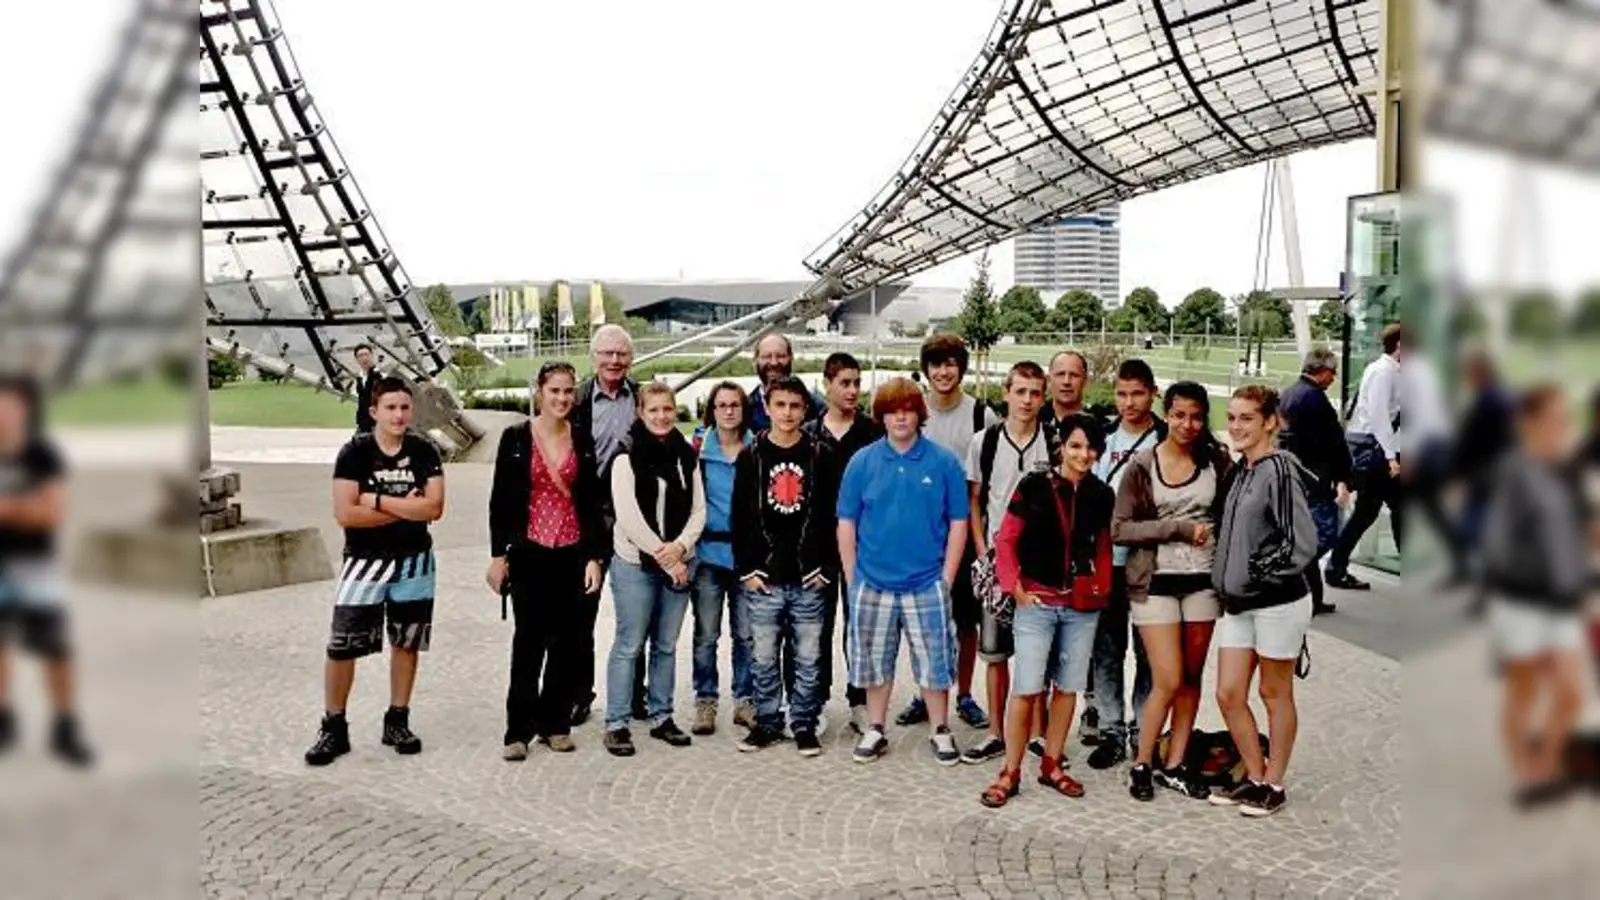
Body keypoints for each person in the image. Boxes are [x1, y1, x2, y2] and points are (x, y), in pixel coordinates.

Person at [306, 376, 446, 766]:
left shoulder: (423, 450)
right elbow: (345, 513)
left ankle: (397, 718)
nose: (398, 415)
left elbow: (434, 509)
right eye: (390, 408)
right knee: (342, 644)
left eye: (404, 407)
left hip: (414, 560)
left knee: (407, 641)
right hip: (364, 561)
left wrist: (377, 500)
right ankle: (334, 725)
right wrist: (404, 506)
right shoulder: (354, 452)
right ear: (374, 412)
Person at [979, 413, 1115, 807]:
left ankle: (1052, 763)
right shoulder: (1034, 485)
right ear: (1061, 447)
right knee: (1026, 689)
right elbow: (1006, 539)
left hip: (1080, 605)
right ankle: (1010, 770)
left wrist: (1100, 590)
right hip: (1037, 602)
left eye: (1090, 447)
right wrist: (1015, 588)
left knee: (1068, 688)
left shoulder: (1100, 494)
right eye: (1075, 445)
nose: (1083, 454)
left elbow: (1103, 545)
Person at [837, 377, 970, 766]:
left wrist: (946, 577)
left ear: (919, 414)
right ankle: (876, 728)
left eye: (908, 410)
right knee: (875, 660)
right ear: (881, 416)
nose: (900, 417)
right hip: (873, 581)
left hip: (926, 582)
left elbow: (958, 521)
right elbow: (846, 521)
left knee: (935, 660)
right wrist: (852, 577)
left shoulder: (943, 462)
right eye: (892, 410)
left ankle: (940, 729)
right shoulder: (862, 461)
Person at [1113, 381, 1233, 801]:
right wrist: (1178, 529)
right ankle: (1144, 761)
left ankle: (1177, 763)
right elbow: (1121, 529)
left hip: (1203, 582)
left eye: (1197, 416)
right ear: (1168, 414)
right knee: (1166, 677)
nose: (1188, 424)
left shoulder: (1217, 461)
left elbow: (1232, 516)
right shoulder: (1143, 465)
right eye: (1180, 415)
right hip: (1155, 582)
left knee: (1191, 678)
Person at [487, 362, 608, 757]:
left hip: (572, 549)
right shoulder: (516, 437)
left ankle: (554, 721)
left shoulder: (583, 439)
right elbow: (501, 500)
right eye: (554, 391)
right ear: (539, 391)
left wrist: (594, 556)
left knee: (568, 641)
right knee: (529, 640)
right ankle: (517, 730)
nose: (561, 399)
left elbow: (591, 502)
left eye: (568, 391)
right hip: (531, 548)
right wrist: (498, 555)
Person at [1207, 386, 1318, 817]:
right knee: (1228, 693)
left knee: (1274, 693)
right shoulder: (1242, 470)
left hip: (1278, 603)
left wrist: (1253, 573)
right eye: (1232, 418)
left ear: (1270, 421)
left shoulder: (1280, 470)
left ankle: (1274, 783)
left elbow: (1300, 543)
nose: (1236, 426)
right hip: (1239, 604)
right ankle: (1253, 774)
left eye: (1247, 418)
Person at [1481, 383, 1591, 807]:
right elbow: (1498, 545)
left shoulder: (1567, 469)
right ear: (1527, 423)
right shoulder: (1513, 472)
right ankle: (1528, 776)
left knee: (1571, 691)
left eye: (1566, 419)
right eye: (1554, 419)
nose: (1563, 428)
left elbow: (1582, 527)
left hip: (1561, 600)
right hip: (1520, 600)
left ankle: (1546, 759)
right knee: (1523, 691)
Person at [733, 377, 840, 756]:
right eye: (780, 405)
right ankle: (767, 721)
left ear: (805, 409)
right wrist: (748, 568)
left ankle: (804, 723)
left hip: (809, 577)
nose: (788, 413)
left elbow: (831, 516)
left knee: (808, 656)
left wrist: (825, 566)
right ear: (768, 405)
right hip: (766, 576)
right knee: (763, 656)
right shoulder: (752, 455)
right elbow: (741, 516)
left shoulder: (821, 455)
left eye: (795, 406)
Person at [603, 382, 706, 757]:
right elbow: (628, 517)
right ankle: (616, 722)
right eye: (653, 410)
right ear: (640, 413)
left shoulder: (685, 455)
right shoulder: (625, 457)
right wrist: (667, 558)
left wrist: (680, 548)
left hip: (679, 561)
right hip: (636, 563)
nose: (662, 417)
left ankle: (662, 715)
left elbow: (699, 510)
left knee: (665, 645)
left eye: (667, 409)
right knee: (630, 643)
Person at [900, 333, 996, 731]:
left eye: (951, 363)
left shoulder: (982, 416)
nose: (944, 371)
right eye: (936, 364)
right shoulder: (912, 413)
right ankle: (926, 692)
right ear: (926, 370)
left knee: (965, 620)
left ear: (961, 367)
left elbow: (987, 483)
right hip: (921, 537)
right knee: (922, 619)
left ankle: (965, 694)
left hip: (965, 535)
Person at [962, 361, 1054, 765]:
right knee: (995, 653)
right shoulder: (985, 441)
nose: (1028, 400)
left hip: (1039, 563)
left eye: (1035, 393)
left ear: (1043, 397)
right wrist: (983, 552)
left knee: (1037, 652)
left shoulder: (1052, 440)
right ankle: (996, 732)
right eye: (1021, 391)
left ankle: (1036, 733)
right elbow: (975, 500)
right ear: (1007, 393)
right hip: (998, 562)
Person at [0, 374, 93, 766]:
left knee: (55, 648)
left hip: (36, 565)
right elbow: (34, 509)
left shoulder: (42, 456)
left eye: (10, 406)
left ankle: (65, 725)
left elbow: (50, 514)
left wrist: (11, 510)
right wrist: (23, 507)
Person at [1083, 359, 1162, 768]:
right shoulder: (1103, 436)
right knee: (1108, 649)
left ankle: (1142, 730)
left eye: (1137, 393)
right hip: (1107, 560)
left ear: (1152, 393)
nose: (1129, 402)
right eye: (1121, 393)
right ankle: (1112, 728)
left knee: (1149, 650)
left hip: (1152, 562)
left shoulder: (1166, 437)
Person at [802, 352, 883, 735]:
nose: (852, 390)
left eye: (856, 382)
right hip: (817, 547)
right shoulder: (807, 433)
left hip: (863, 548)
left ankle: (860, 701)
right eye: (844, 383)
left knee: (861, 628)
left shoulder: (872, 433)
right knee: (816, 627)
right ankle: (815, 701)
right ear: (826, 384)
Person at [568, 324, 641, 725]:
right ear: (594, 356)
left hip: (633, 517)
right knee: (582, 611)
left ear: (630, 358)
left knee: (638, 608)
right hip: (589, 517)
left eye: (622, 354)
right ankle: (580, 694)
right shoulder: (576, 400)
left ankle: (636, 693)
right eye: (607, 353)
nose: (615, 361)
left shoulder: (643, 396)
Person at [689, 382, 755, 734]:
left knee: (746, 635)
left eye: (735, 405)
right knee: (706, 635)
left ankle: (744, 700)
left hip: (745, 556)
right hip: (708, 555)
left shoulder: (756, 447)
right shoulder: (699, 449)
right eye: (721, 405)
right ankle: (705, 700)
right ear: (712, 410)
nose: (729, 411)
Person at [1324, 324, 1405, 591]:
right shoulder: (1384, 373)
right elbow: (1379, 416)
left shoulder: (1384, 370)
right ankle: (1336, 567)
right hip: (1376, 451)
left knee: (1370, 512)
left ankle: (1336, 567)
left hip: (1375, 448)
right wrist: (1392, 457)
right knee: (1388, 508)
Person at [1277, 347, 1353, 615]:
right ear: (1322, 372)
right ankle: (1296, 582)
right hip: (1316, 479)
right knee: (1323, 535)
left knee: (1308, 536)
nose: (1333, 379)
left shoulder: (1288, 395)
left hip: (1294, 476)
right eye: (1332, 373)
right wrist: (1343, 477)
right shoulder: (1316, 401)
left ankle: (1311, 595)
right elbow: (1334, 444)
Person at [1450, 350, 1515, 590]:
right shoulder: (1502, 398)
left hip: (1484, 475)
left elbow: (1471, 441)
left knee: (1473, 528)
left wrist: (1458, 472)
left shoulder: (1487, 402)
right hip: (1494, 473)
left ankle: (1486, 581)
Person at [748, 333, 822, 431]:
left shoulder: (817, 408)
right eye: (767, 356)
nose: (774, 362)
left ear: (791, 358)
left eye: (781, 356)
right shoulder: (744, 410)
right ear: (755, 360)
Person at [1038, 350, 1089, 437]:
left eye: (1074, 375)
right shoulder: (1034, 420)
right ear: (1049, 380)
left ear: (1085, 381)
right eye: (1060, 374)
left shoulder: (1099, 424)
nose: (1066, 382)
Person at [351, 344, 379, 437]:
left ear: (372, 356)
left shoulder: (379, 376)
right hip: (363, 423)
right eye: (360, 356)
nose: (364, 358)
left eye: (366, 354)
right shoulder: (360, 378)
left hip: (377, 423)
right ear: (357, 359)